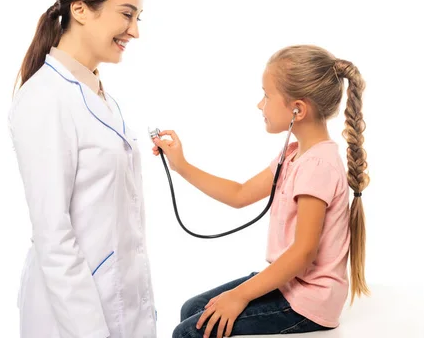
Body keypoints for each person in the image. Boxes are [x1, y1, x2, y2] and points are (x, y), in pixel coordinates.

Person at [152, 44, 370, 338]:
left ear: (298, 109)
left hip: (307, 302)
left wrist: (240, 295)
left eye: (266, 95)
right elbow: (240, 194)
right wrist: (181, 165)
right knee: (192, 309)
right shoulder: (294, 154)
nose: (259, 104)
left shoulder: (317, 166)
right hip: (291, 285)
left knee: (190, 331)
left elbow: (303, 253)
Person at [8, 0, 156, 338]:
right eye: (126, 14)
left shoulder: (101, 96)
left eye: (138, 18)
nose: (135, 31)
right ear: (80, 9)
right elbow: (53, 236)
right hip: (75, 319)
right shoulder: (45, 98)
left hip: (119, 304)